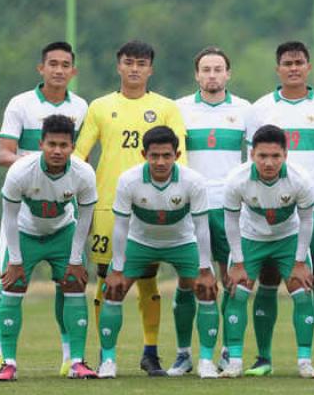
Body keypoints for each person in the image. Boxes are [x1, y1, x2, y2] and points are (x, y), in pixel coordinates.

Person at [74, 40, 186, 376]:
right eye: (128, 62)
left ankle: (150, 352)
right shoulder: (99, 106)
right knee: (107, 278)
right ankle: (107, 354)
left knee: (148, 278)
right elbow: (79, 156)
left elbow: (181, 157)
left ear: (151, 69)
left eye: (141, 63)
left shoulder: (166, 108)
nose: (134, 68)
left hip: (150, 206)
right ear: (118, 66)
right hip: (108, 205)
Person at [0, 41, 87, 379]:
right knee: (10, 283)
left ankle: (70, 358)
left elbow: (80, 156)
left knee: (69, 285)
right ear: (41, 68)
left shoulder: (81, 107)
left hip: (61, 208)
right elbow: (4, 154)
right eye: (52, 64)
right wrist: (37, 162)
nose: (58, 70)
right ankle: (2, 358)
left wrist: (62, 167)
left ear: (73, 71)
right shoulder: (21, 104)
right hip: (24, 209)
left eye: (65, 65)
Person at [244, 41, 314, 375]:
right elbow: (252, 160)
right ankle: (263, 358)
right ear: (278, 69)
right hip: (272, 207)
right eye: (287, 63)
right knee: (269, 277)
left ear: (308, 67)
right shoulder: (259, 109)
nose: (294, 68)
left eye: (299, 62)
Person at [97, 126, 218, 379]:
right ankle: (107, 360)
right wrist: (116, 269)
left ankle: (202, 360)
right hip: (140, 242)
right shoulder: (128, 180)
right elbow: (120, 226)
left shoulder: (193, 181)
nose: (160, 162)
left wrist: (206, 269)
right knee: (113, 289)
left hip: (182, 242)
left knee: (206, 289)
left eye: (166, 155)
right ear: (144, 155)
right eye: (154, 156)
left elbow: (201, 226)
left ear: (177, 155)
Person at [219, 125, 314, 378]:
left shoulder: (300, 179)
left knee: (302, 293)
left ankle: (305, 362)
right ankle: (234, 362)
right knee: (237, 293)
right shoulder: (236, 179)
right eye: (262, 156)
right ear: (252, 154)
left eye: (275, 156)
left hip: (288, 239)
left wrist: (299, 262)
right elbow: (230, 221)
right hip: (250, 238)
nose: (269, 162)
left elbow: (307, 220)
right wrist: (238, 263)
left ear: (285, 155)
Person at [175, 46, 250, 373]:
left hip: (229, 207)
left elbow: (255, 159)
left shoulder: (245, 110)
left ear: (228, 74)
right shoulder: (179, 109)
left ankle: (229, 351)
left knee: (230, 278)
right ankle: (183, 353)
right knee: (188, 279)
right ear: (197, 75)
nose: (212, 75)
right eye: (206, 69)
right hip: (190, 206)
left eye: (218, 69)